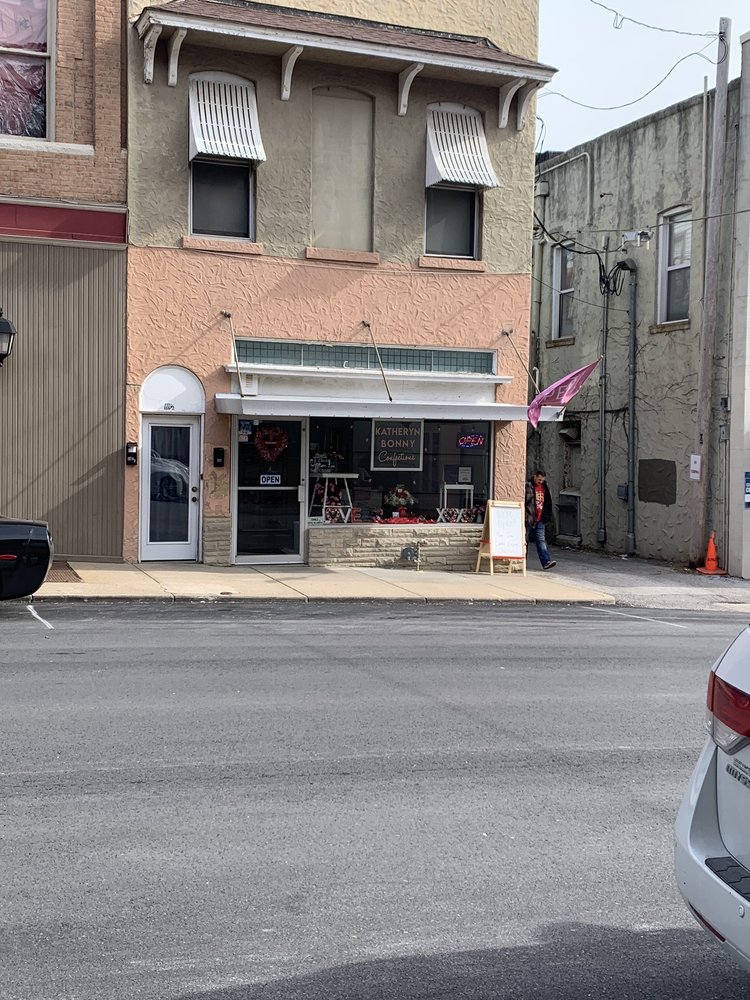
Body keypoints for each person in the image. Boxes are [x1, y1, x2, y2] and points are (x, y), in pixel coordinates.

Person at [525, 469, 556, 570]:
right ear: (534, 477)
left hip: (540, 518)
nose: (540, 482)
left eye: (542, 480)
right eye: (539, 480)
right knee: (525, 540)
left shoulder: (544, 487)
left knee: (541, 539)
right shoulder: (528, 485)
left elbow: (548, 502)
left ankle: (546, 561)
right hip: (530, 517)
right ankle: (522, 560)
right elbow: (526, 500)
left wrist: (547, 516)